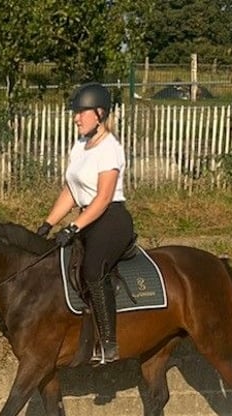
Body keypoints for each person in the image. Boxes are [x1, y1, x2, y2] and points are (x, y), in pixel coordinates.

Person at [35, 82, 135, 365]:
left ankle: (109, 343)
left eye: (81, 112)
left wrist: (73, 227)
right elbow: (70, 190)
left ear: (100, 114)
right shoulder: (80, 145)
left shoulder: (110, 149)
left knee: (93, 270)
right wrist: (47, 224)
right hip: (87, 217)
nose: (76, 118)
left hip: (111, 219)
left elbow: (103, 199)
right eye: (75, 112)